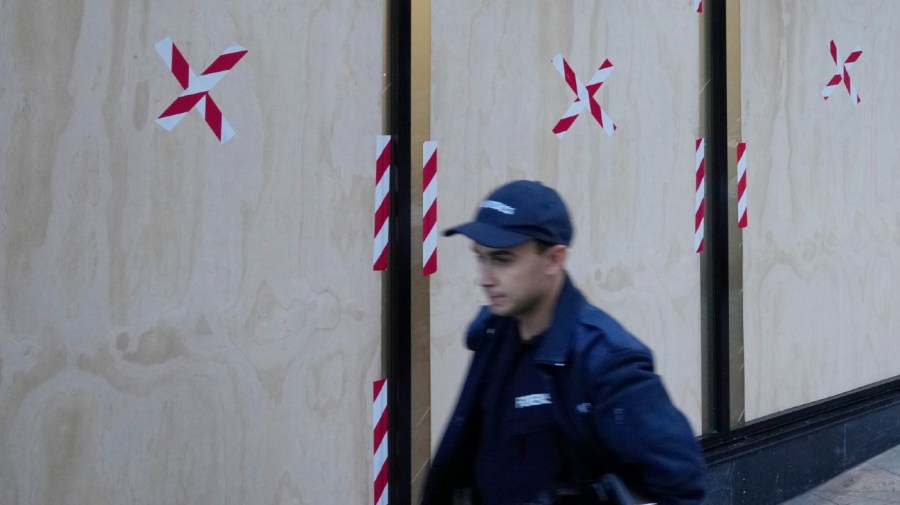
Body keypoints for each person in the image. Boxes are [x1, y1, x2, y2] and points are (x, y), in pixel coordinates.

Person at [420, 180, 707, 505]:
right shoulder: (492, 335)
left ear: (554, 259)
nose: (484, 277)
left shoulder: (604, 359)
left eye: (502, 259)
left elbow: (682, 481)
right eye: (480, 257)